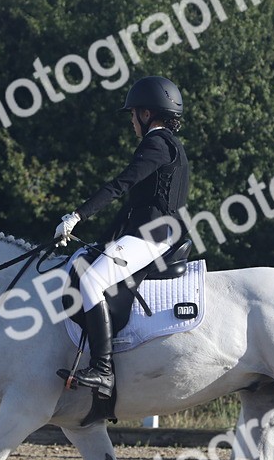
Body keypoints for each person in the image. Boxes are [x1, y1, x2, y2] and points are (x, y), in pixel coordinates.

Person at [53, 75, 191, 405]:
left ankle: (102, 369)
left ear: (146, 114)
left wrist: (77, 215)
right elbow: (133, 206)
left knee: (93, 280)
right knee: (93, 265)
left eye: (133, 115)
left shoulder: (156, 144)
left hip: (154, 236)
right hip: (153, 232)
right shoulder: (170, 146)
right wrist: (98, 241)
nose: (131, 121)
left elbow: (120, 186)